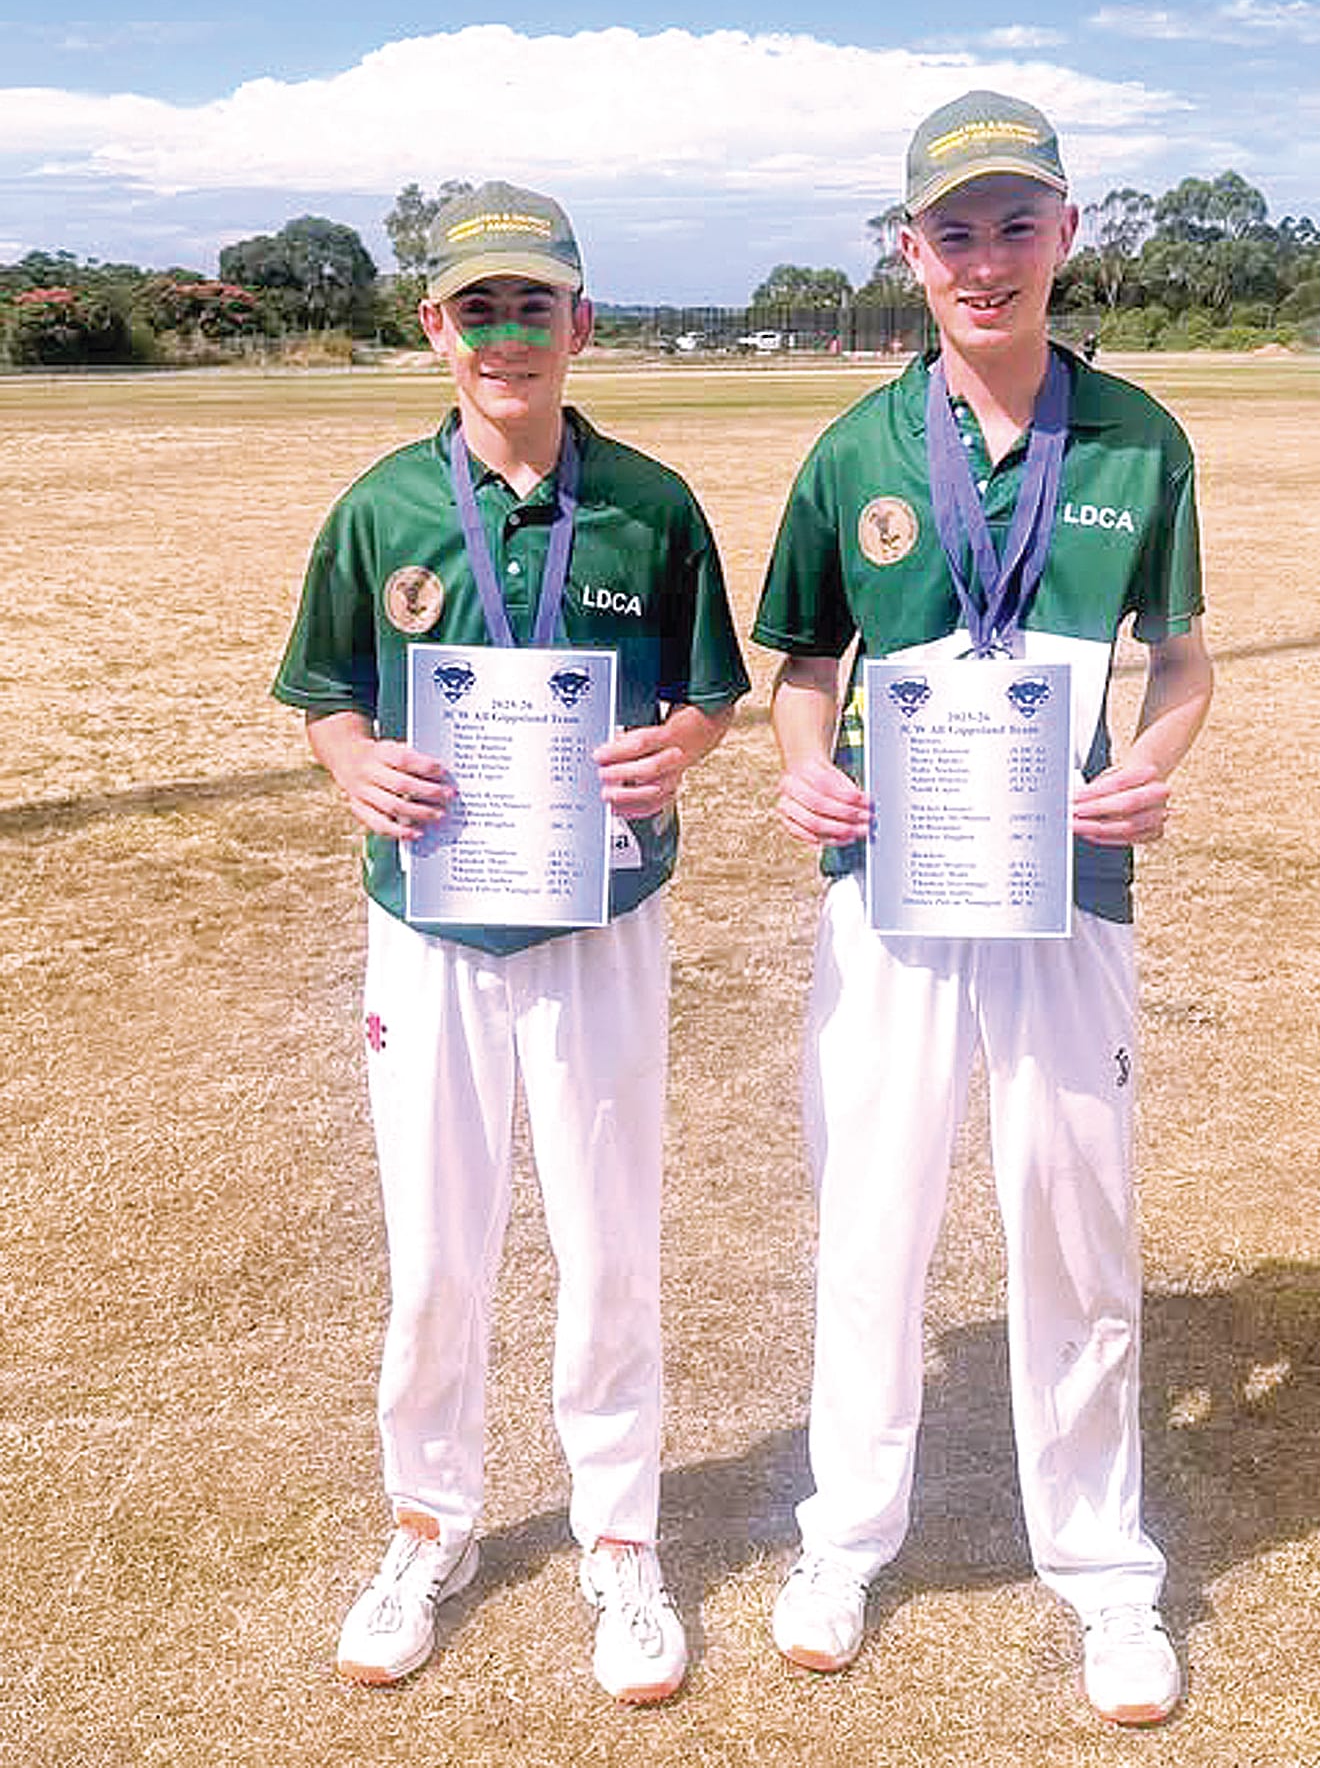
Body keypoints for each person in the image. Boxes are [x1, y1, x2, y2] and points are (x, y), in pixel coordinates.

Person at [751, 90, 1213, 1726]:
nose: (986, 257)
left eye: (1018, 223)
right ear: (911, 249)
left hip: (1069, 889)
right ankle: (842, 1540)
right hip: (890, 892)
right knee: (871, 1220)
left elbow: (1183, 664)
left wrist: (1150, 764)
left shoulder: (1141, 439)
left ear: (1067, 233)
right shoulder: (856, 450)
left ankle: (1103, 1571)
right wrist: (804, 769)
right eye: (955, 229)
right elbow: (805, 665)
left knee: (1074, 1225)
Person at [273, 181, 749, 1703]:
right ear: (436, 327)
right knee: (435, 1248)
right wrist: (354, 766)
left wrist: (677, 748)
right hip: (429, 921)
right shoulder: (381, 510)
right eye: (477, 307)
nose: (506, 334)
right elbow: (326, 692)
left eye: (533, 305)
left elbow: (711, 693)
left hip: (600, 917)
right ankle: (430, 1521)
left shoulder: (651, 505)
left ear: (579, 323)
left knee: (607, 1240)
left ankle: (620, 1537)